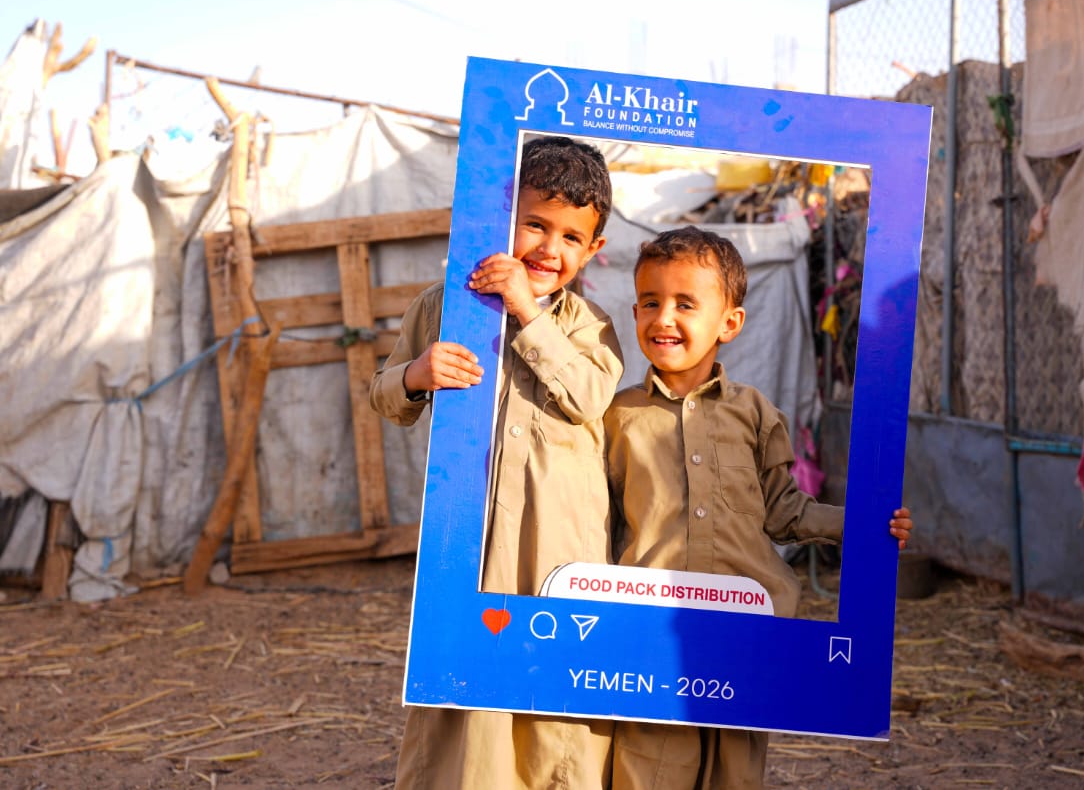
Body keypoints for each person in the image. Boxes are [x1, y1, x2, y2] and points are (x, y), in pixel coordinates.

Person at [605, 226, 913, 790]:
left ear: (730, 323)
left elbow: (784, 511)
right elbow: (600, 521)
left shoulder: (756, 414)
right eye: (651, 302)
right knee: (649, 768)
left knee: (735, 771)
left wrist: (863, 526)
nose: (663, 318)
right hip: (649, 631)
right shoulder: (616, 416)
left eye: (685, 304)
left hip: (749, 631)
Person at [370, 136, 623, 790]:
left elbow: (589, 394)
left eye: (571, 236)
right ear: (497, 213)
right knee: (468, 692)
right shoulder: (445, 307)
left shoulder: (589, 325)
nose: (549, 248)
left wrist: (527, 310)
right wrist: (417, 374)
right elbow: (386, 396)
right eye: (535, 223)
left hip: (559, 547)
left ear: (593, 250)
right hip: (472, 542)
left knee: (554, 695)